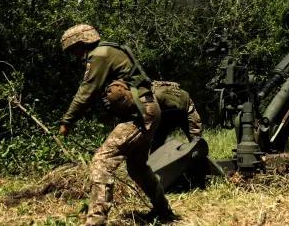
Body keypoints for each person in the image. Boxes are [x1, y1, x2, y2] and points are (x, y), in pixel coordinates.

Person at [58, 24, 174, 225]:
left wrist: (67, 122)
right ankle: (164, 211)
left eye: (74, 50)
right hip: (146, 111)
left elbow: (86, 92)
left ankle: (96, 222)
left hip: (139, 115)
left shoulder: (100, 55)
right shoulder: (107, 51)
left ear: (82, 42)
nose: (75, 55)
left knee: (102, 162)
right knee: (137, 168)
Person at [150, 80, 202, 152]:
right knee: (156, 145)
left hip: (184, 107)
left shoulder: (152, 96)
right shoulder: (148, 93)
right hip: (165, 112)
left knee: (196, 144)